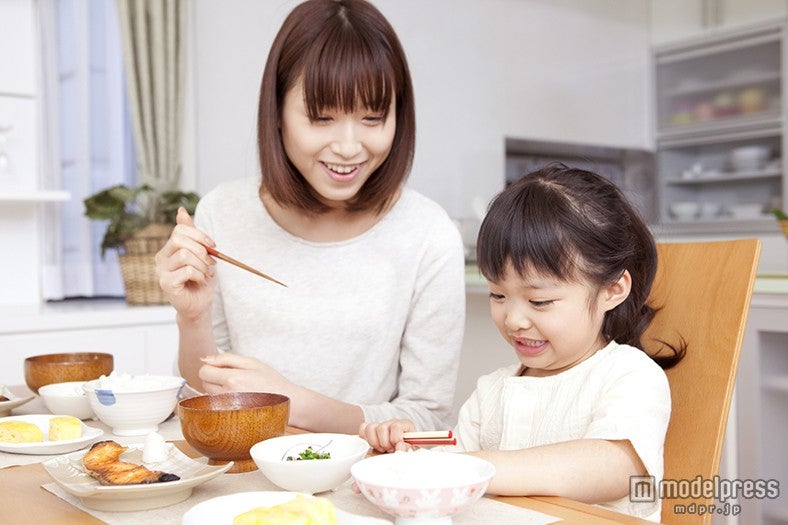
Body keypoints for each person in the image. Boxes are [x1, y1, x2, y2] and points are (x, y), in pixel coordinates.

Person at [154, 0, 465, 434]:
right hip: (246, 465)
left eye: (372, 117)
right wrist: (192, 319)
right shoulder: (222, 213)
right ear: (278, 112)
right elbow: (208, 395)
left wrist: (295, 403)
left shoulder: (429, 234)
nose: (349, 147)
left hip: (365, 471)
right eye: (322, 118)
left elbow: (426, 417)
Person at [359, 164, 686, 521]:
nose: (513, 319)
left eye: (539, 301)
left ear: (612, 290)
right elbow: (455, 463)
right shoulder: (493, 390)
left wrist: (472, 467)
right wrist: (412, 452)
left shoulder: (630, 375)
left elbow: (614, 468)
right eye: (498, 295)